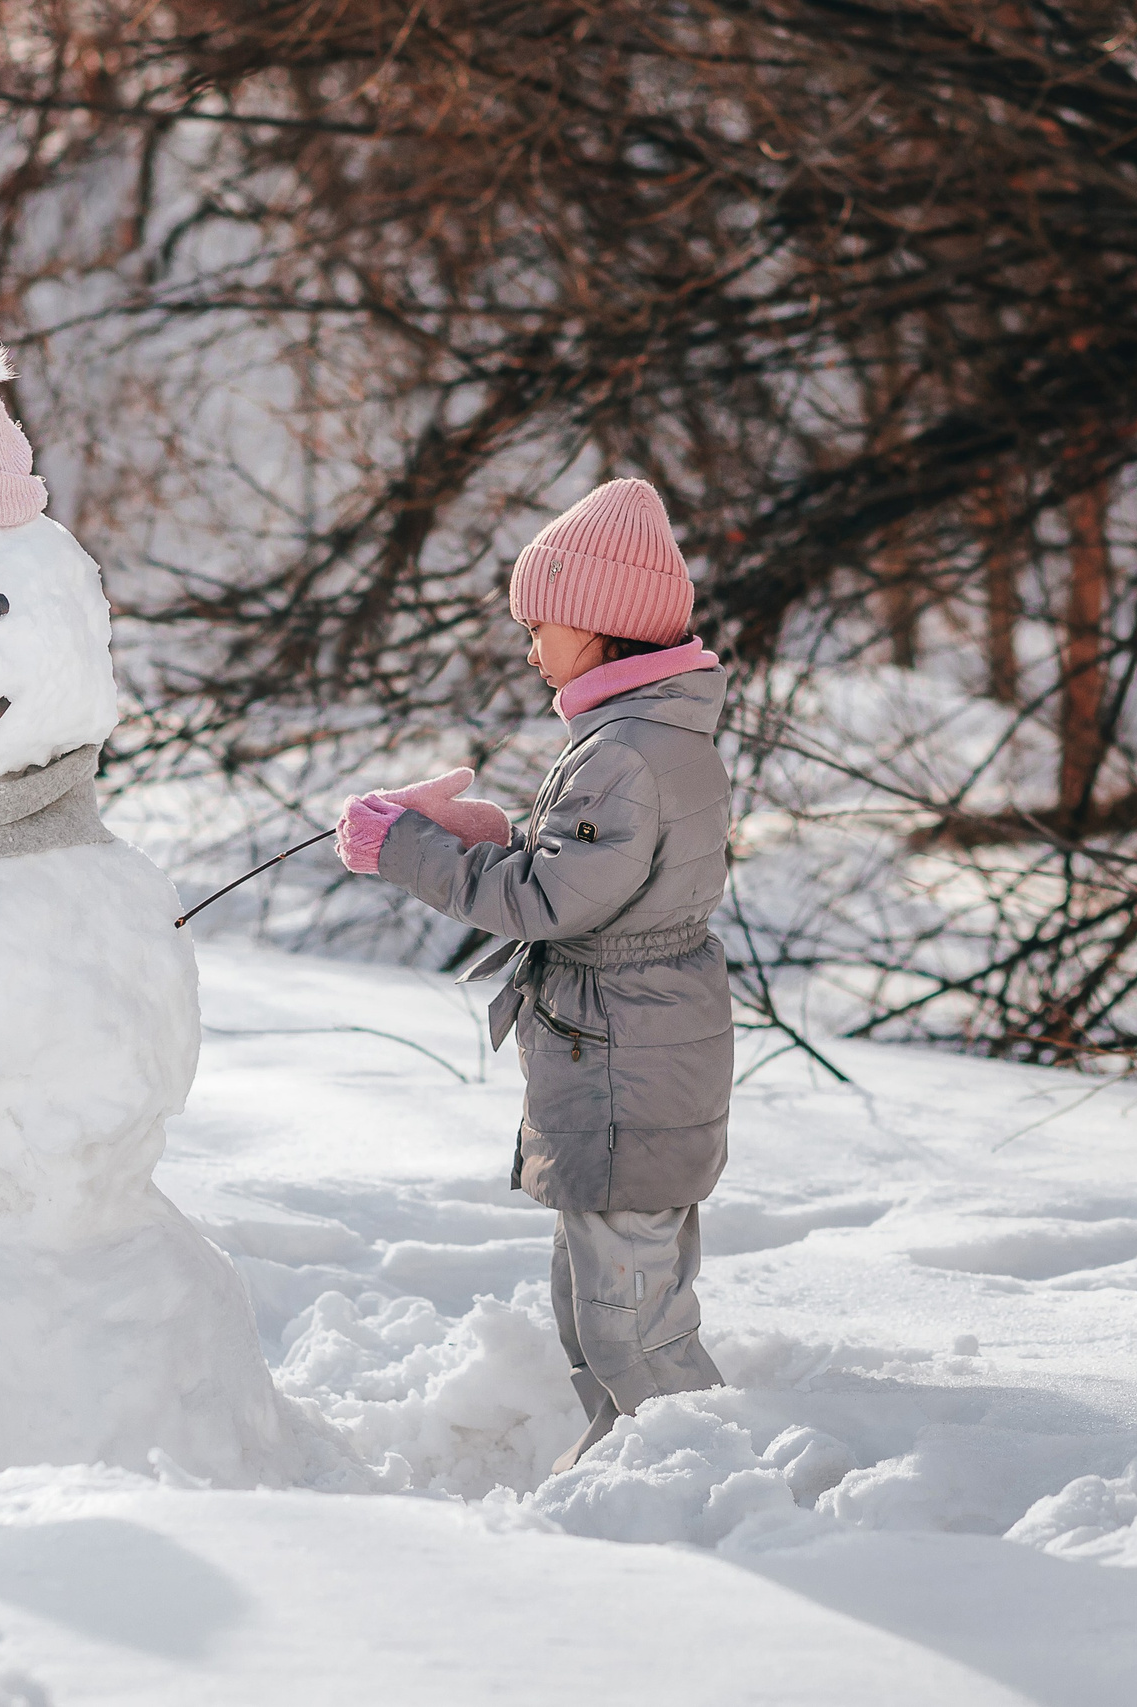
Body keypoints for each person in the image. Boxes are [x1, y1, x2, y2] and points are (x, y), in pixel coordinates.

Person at [335, 477, 732, 1472]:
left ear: (599, 630)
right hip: (634, 1041)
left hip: (622, 1056)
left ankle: (685, 1469)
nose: (529, 648)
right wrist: (489, 837)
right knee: (610, 1288)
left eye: (540, 625)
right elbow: (597, 875)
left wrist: (408, 853)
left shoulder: (621, 755)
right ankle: (631, 1455)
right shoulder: (647, 739)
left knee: (621, 1312)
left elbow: (549, 903)